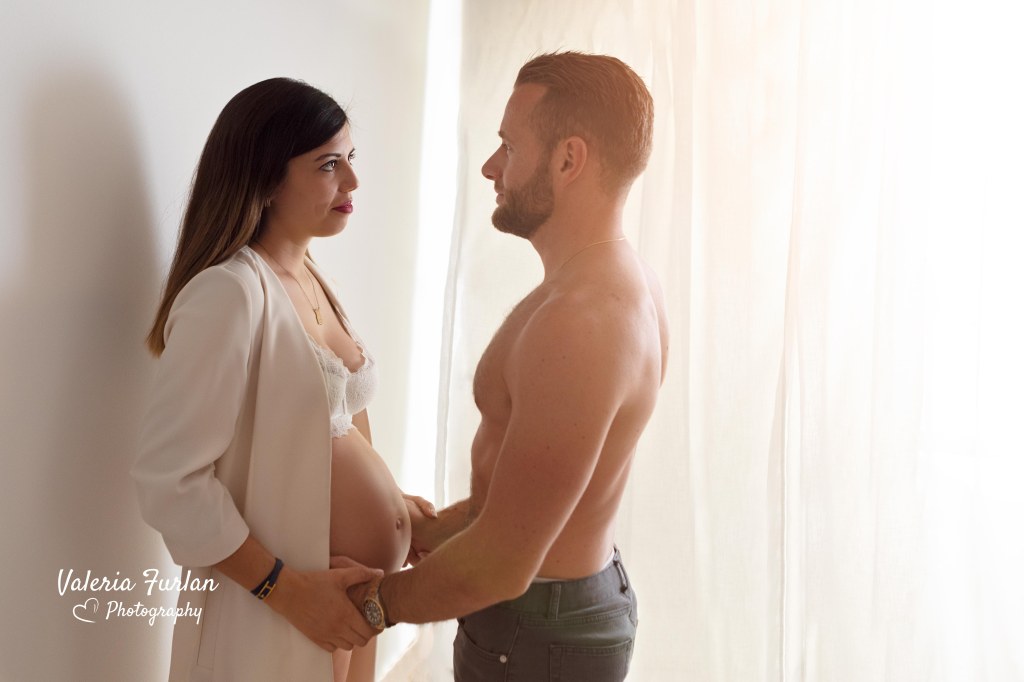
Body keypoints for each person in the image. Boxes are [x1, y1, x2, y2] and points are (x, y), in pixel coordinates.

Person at [346, 52, 668, 681]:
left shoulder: (583, 321)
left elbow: (502, 563)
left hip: (536, 628)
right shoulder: (615, 283)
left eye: (507, 146)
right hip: (553, 612)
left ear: (568, 159)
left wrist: (367, 606)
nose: (492, 167)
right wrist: (433, 528)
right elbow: (534, 503)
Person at [131, 77, 432, 682]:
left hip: (357, 607)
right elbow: (170, 481)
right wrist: (287, 590)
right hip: (283, 613)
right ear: (267, 178)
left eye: (351, 159)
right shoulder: (229, 294)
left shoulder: (313, 280)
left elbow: (330, 429)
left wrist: (395, 509)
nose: (352, 182)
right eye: (328, 165)